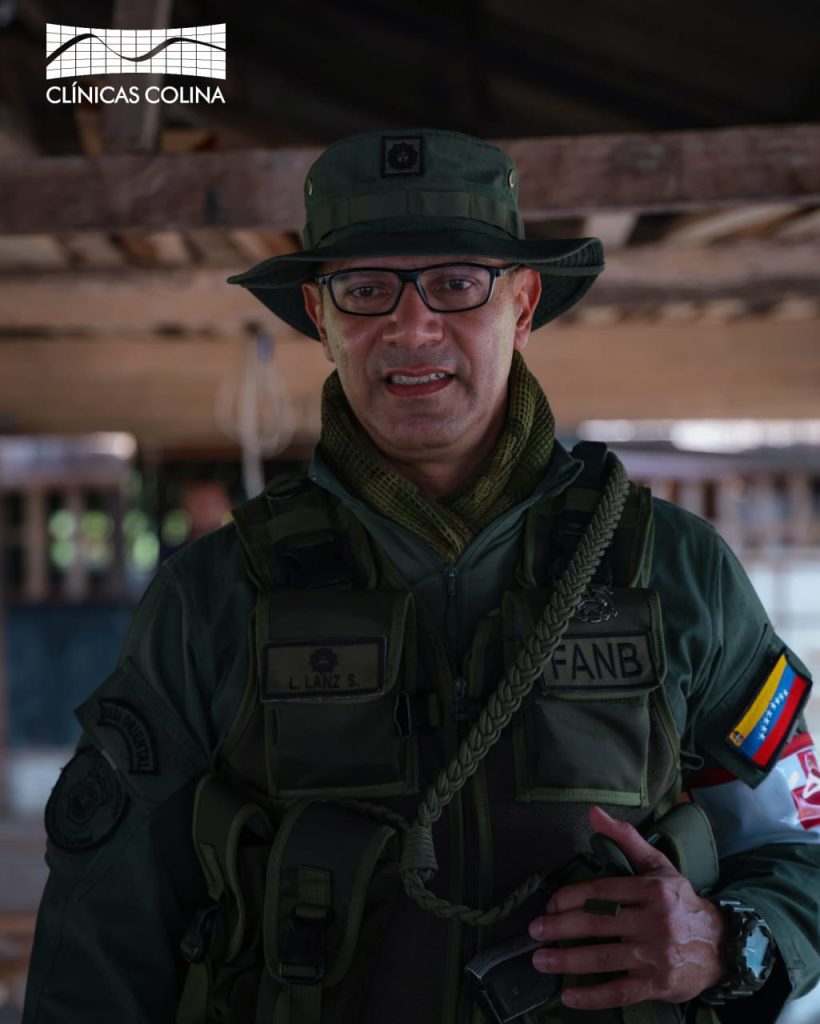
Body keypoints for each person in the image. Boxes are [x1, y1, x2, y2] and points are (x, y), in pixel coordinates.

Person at [23, 129, 820, 1024]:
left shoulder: (674, 569)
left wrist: (731, 939)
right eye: (366, 290)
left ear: (522, 305)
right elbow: (101, 936)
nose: (411, 327)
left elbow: (798, 847)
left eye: (457, 283)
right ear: (321, 317)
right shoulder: (215, 595)